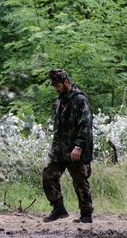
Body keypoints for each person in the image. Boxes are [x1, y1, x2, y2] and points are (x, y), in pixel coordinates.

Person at [42, 69, 94, 223]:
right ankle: (58, 208)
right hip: (60, 150)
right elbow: (58, 128)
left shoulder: (79, 100)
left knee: (80, 181)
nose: (56, 89)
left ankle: (86, 215)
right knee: (47, 175)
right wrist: (53, 149)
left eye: (58, 85)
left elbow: (85, 124)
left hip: (77, 150)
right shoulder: (59, 101)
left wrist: (78, 146)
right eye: (54, 86)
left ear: (66, 82)